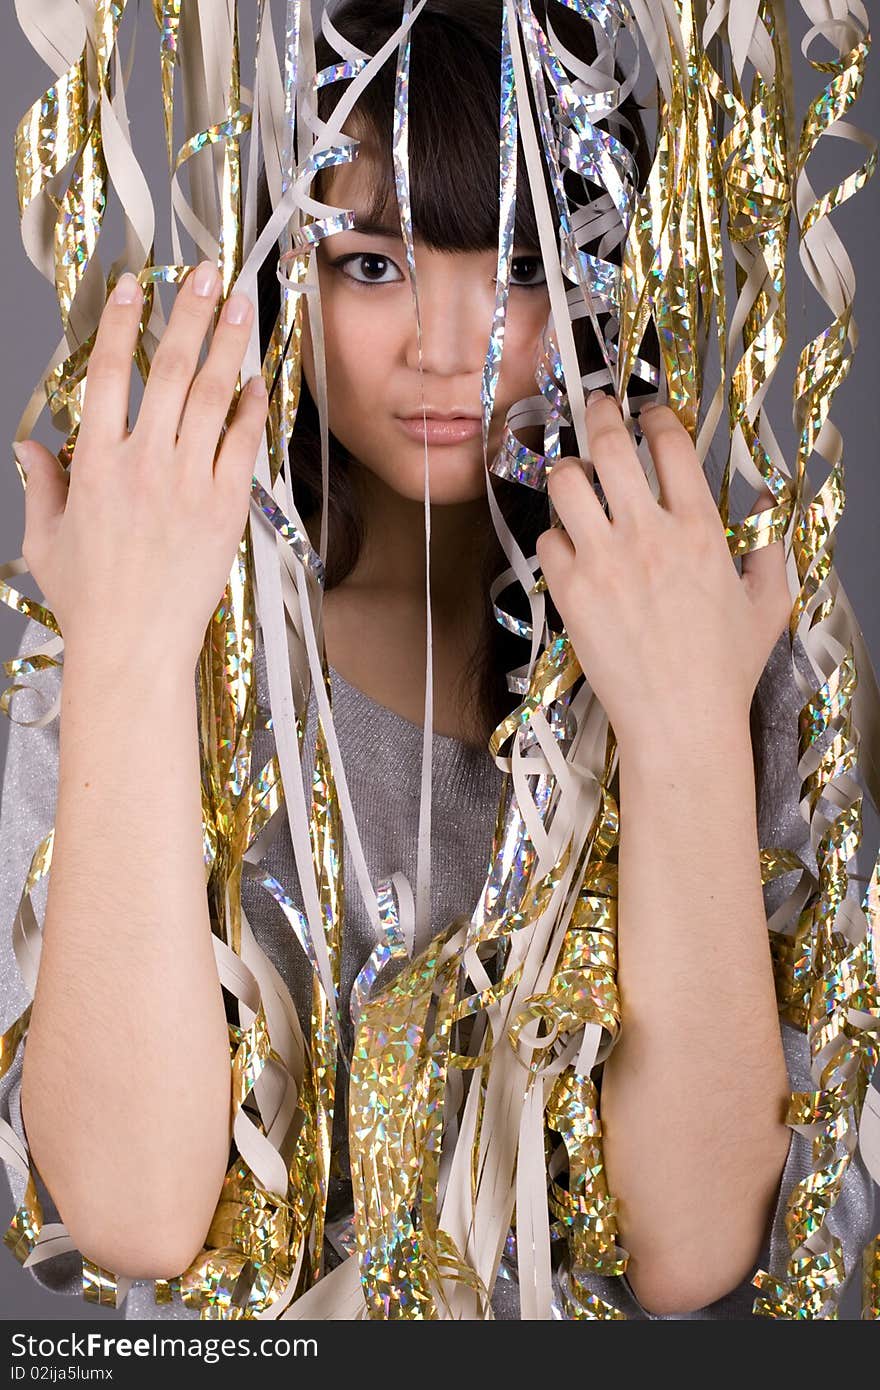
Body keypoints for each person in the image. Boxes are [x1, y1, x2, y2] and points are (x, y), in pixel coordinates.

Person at [0, 0, 875, 1321]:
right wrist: (129, 655)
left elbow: (694, 1249)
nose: (446, 346)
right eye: (371, 265)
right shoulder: (153, 627)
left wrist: (686, 727)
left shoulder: (726, 635)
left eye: (519, 267)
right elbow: (127, 1211)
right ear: (283, 262)